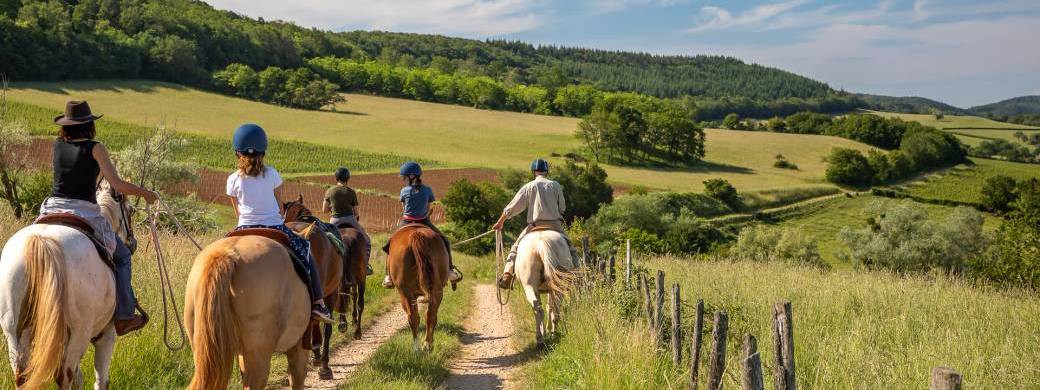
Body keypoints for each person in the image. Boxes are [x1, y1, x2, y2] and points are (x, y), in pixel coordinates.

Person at [38, 101, 158, 335]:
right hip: (85, 211)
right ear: (89, 125)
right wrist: (146, 194)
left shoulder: (57, 145)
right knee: (122, 256)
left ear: (66, 126)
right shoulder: (96, 148)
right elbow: (117, 185)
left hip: (52, 207)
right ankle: (124, 315)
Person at [225, 123, 333, 323]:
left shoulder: (232, 179)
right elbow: (281, 208)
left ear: (237, 153)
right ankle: (318, 304)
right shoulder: (272, 174)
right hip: (273, 227)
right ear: (263, 153)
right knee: (306, 251)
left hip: (243, 228)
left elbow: (237, 212)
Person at [492, 158, 579, 289]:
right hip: (555, 226)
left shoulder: (529, 186)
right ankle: (578, 278)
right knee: (571, 248)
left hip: (534, 226)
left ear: (534, 171)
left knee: (515, 248)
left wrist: (500, 222)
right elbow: (562, 208)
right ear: (546, 171)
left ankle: (507, 275)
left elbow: (512, 207)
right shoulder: (555, 185)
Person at [381, 161, 462, 288]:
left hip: (406, 221)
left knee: (390, 244)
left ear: (412, 176)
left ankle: (388, 276)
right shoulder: (428, 190)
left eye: (404, 177)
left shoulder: (404, 191)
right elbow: (427, 207)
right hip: (424, 221)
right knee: (444, 241)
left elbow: (404, 208)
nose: (403, 180)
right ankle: (450, 270)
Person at [323, 167, 373, 275]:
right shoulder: (351, 192)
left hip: (335, 220)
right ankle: (365, 266)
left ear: (336, 178)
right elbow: (356, 213)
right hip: (350, 219)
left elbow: (324, 210)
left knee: (325, 240)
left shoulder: (330, 191)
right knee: (367, 241)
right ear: (347, 178)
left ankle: (324, 264)